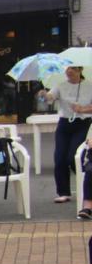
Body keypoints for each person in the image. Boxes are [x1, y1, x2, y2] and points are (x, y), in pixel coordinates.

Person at [45, 66, 92, 203]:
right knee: (59, 157)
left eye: (73, 69)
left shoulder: (89, 86)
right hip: (64, 124)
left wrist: (83, 109)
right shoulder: (60, 85)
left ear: (79, 70)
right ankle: (63, 192)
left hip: (82, 123)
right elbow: (50, 97)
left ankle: (87, 184)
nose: (69, 72)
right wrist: (44, 95)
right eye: (68, 70)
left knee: (72, 157)